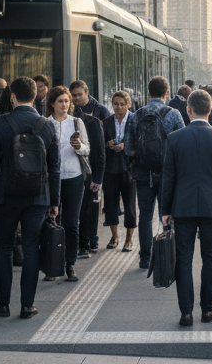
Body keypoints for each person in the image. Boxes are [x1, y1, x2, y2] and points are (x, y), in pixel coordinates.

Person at [0, 76, 61, 317]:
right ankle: (27, 305)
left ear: (13, 97)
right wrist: (54, 201)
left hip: (6, 194)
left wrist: (8, 168)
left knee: (4, 247)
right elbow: (55, 166)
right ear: (35, 96)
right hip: (37, 196)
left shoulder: (1, 123)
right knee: (31, 247)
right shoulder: (46, 125)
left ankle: (2, 304)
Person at [160, 90, 212, 326]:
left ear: (188, 110)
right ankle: (208, 310)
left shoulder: (174, 138)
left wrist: (165, 209)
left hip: (182, 206)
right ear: (211, 109)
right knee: (210, 259)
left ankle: (186, 312)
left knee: (183, 259)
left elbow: (168, 178)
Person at [127, 75, 184, 269]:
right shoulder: (174, 114)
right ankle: (167, 255)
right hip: (168, 174)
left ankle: (145, 258)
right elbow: (182, 146)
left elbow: (128, 147)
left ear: (148, 92)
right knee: (167, 214)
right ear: (166, 93)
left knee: (145, 215)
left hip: (144, 174)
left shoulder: (137, 114)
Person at [46, 85, 90, 280]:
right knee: (50, 222)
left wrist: (78, 146)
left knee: (71, 223)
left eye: (67, 101)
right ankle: (50, 265)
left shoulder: (76, 122)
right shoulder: (45, 124)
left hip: (73, 176)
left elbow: (87, 149)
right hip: (51, 179)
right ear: (52, 104)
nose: (65, 104)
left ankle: (70, 264)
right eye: (61, 101)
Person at [71, 80, 106, 257]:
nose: (76, 99)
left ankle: (87, 242)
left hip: (88, 171)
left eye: (79, 95)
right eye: (73, 96)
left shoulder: (93, 121)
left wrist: (98, 178)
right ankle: (82, 243)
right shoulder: (68, 120)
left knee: (87, 210)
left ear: (87, 92)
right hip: (72, 172)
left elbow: (100, 152)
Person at [103, 90, 136, 251]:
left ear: (128, 104)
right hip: (110, 167)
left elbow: (139, 141)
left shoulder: (134, 119)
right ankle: (115, 237)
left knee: (130, 206)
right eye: (116, 104)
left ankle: (129, 240)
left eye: (122, 104)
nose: (119, 107)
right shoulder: (107, 121)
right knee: (110, 204)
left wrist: (126, 145)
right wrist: (107, 145)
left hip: (129, 168)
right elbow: (99, 143)